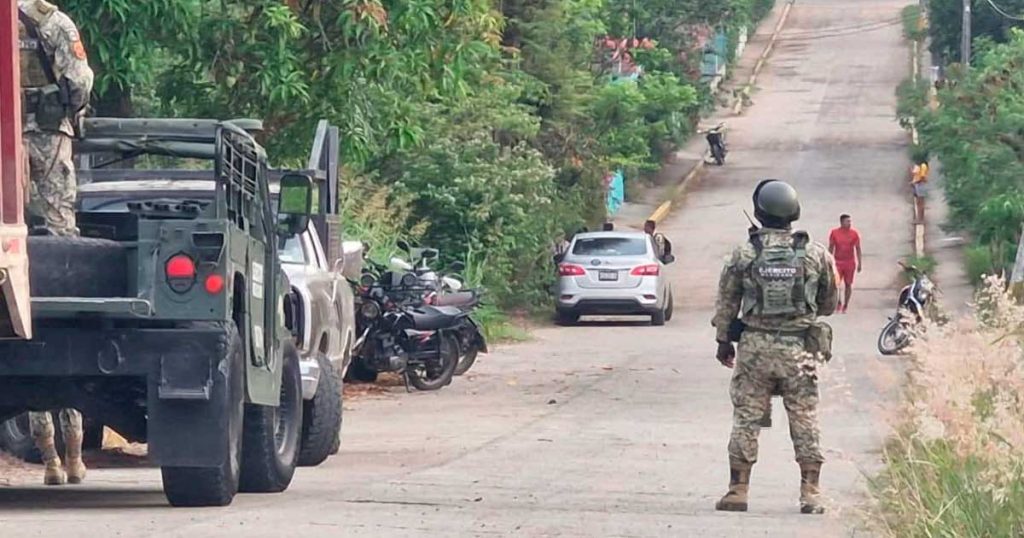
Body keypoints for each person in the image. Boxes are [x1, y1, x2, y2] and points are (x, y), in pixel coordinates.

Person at [712, 179, 838, 514]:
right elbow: (829, 303)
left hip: (754, 347)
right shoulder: (815, 254)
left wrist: (724, 341)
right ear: (794, 212)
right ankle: (811, 493)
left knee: (747, 416)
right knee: (804, 415)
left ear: (759, 212)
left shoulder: (744, 253)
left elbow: (727, 302)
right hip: (800, 348)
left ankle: (738, 490)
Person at [19, 0, 94, 486]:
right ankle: (71, 455)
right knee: (61, 241)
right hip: (47, 137)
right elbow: (79, 83)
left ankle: (49, 457)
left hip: (9, 141)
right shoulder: (50, 20)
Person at [828, 214, 861, 313]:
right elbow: (831, 247)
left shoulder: (854, 234)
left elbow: (858, 249)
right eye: (847, 221)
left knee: (848, 284)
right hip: (838, 262)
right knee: (836, 284)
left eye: (850, 221)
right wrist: (829, 261)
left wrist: (859, 263)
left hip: (850, 262)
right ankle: (838, 302)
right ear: (841, 222)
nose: (849, 223)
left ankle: (845, 304)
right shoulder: (834, 233)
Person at [910, 155, 929, 222]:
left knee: (921, 203)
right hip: (918, 184)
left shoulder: (923, 166)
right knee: (918, 202)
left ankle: (920, 218)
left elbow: (922, 177)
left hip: (921, 185)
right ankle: (919, 218)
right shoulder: (918, 166)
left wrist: (915, 182)